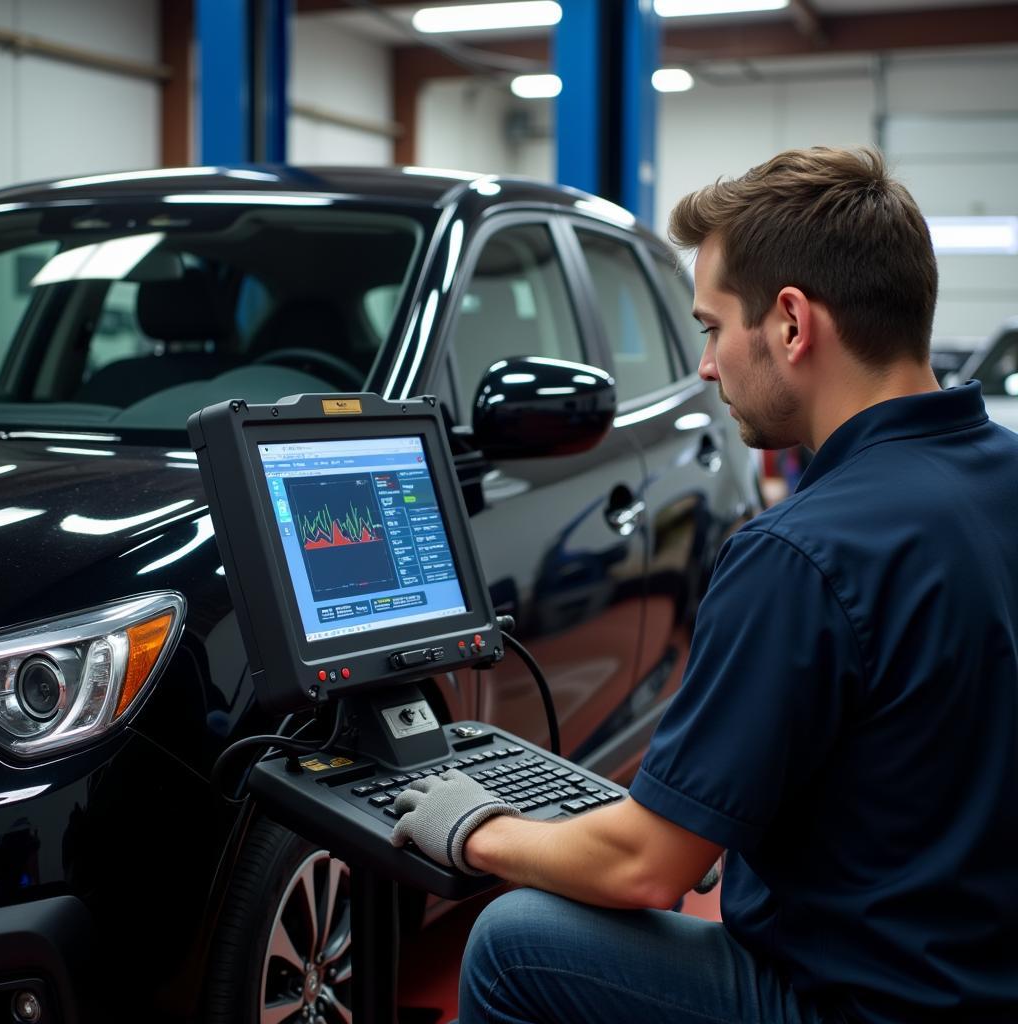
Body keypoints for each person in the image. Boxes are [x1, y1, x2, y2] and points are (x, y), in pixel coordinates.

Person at [390, 147, 1018, 1023]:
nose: (707, 368)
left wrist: (476, 828)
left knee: (512, 938)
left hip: (866, 1001)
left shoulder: (800, 554)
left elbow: (647, 870)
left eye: (712, 327)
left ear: (792, 325)